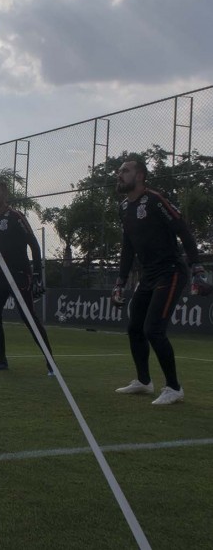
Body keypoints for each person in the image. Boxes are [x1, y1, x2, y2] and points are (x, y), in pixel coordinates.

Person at [111, 159, 206, 405]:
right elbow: (128, 248)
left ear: (140, 176)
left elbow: (183, 229)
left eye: (125, 171)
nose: (119, 174)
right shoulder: (123, 207)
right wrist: (120, 281)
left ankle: (174, 388)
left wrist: (196, 267)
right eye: (119, 171)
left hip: (171, 272)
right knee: (134, 328)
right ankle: (144, 382)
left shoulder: (155, 200)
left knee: (153, 329)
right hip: (148, 276)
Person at [0, 179, 54, 374]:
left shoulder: (16, 217)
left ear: (5, 195)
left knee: (28, 317)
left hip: (19, 274)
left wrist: (36, 273)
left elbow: (33, 244)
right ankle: (1, 360)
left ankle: (50, 362)